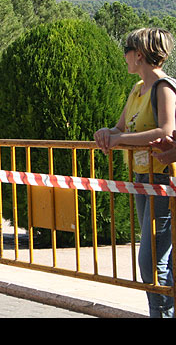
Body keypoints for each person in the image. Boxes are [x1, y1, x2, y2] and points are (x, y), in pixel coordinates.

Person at [94, 28, 176, 318]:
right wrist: (107, 133)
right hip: (143, 178)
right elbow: (120, 128)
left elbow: (166, 130)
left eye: (126, 51)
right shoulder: (137, 88)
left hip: (162, 178)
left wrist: (119, 139)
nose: (125, 57)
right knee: (156, 258)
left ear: (139, 54)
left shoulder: (163, 87)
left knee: (151, 260)